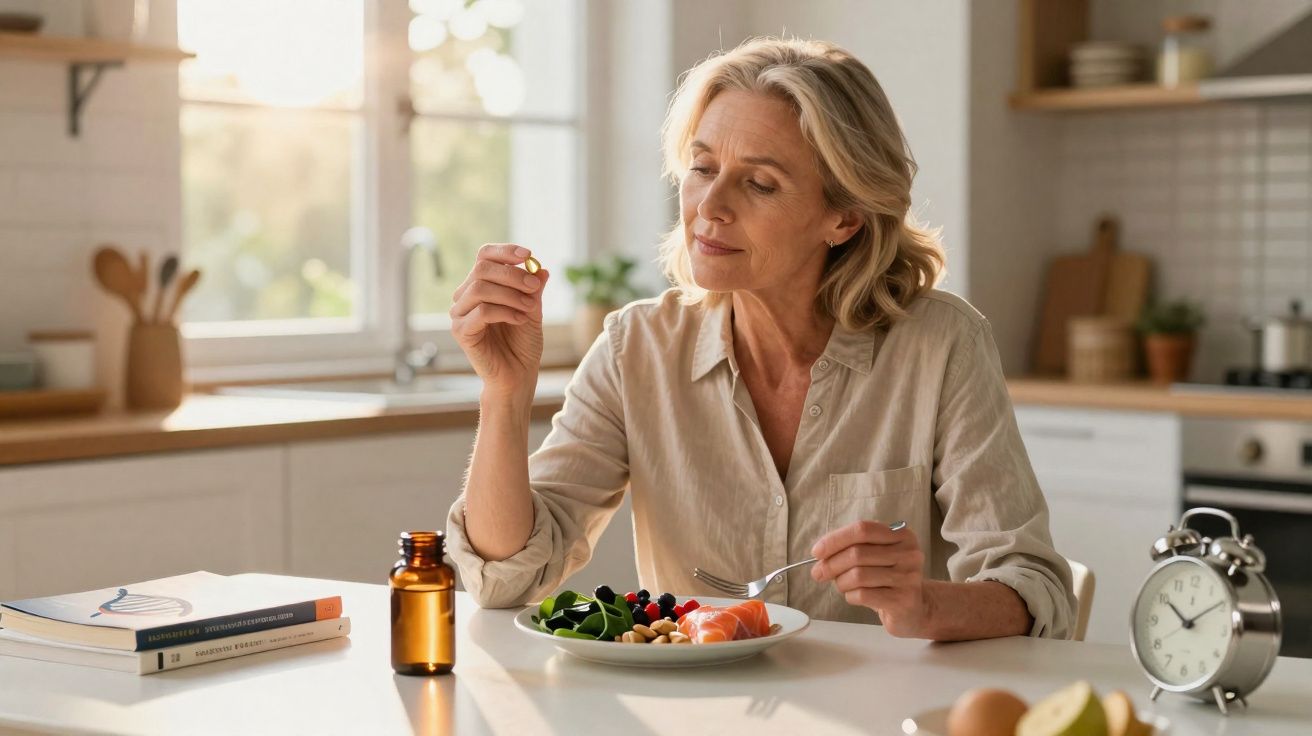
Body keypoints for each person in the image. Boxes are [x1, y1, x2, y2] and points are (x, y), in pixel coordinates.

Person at [444, 37, 1075, 640]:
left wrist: (924, 604)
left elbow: (1035, 589)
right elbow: (505, 579)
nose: (709, 205)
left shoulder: (941, 345)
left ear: (844, 217)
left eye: (760, 183)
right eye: (702, 168)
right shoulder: (635, 347)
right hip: (696, 701)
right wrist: (505, 392)